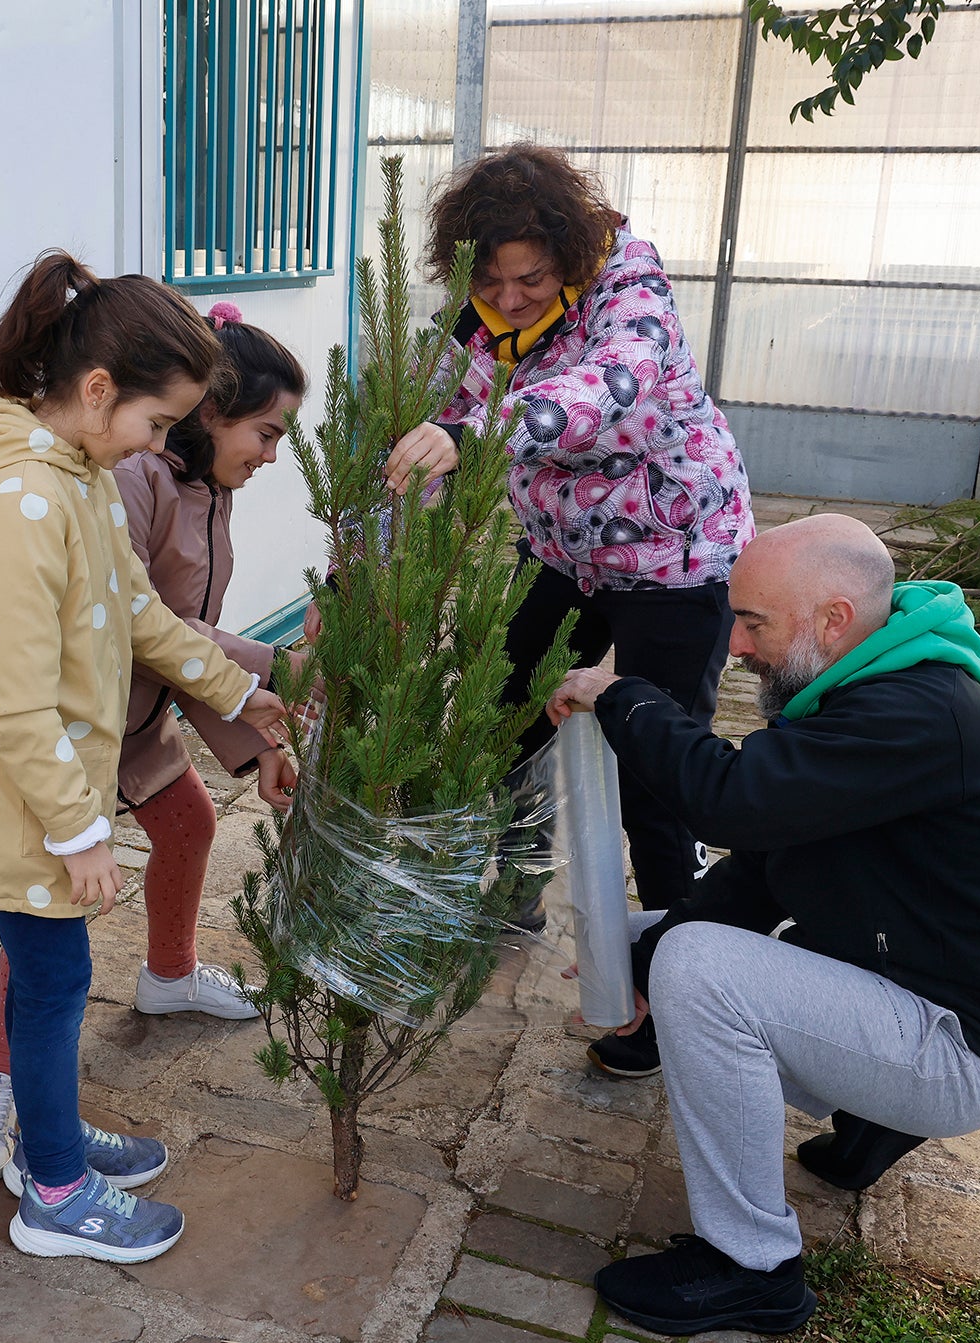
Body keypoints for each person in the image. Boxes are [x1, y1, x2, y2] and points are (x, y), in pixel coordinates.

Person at [545, 514, 980, 1336]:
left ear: (833, 621)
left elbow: (732, 801)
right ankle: (873, 1122)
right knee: (660, 939)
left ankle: (751, 1267)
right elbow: (762, 867)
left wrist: (624, 697)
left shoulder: (917, 713)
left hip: (959, 1045)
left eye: (753, 622)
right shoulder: (862, 691)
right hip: (908, 996)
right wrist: (640, 966)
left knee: (702, 967)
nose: (737, 646)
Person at [0, 251, 287, 1265]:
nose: (162, 446)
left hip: (40, 794)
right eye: (159, 424)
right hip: (15, 802)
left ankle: (50, 1139)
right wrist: (78, 834)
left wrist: (240, 690)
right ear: (96, 389)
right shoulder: (16, 503)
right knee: (51, 980)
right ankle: (57, 1193)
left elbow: (136, 614)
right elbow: (14, 696)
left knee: (48, 982)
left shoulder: (74, 481)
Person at [382, 142, 755, 1080]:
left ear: (573, 255)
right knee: (499, 718)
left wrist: (470, 433)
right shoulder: (481, 326)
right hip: (565, 556)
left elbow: (608, 393)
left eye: (531, 277)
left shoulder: (631, 287)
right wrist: (365, 576)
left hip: (675, 558)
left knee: (656, 776)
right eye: (493, 279)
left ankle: (671, 999)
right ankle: (508, 893)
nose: (510, 298)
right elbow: (416, 431)